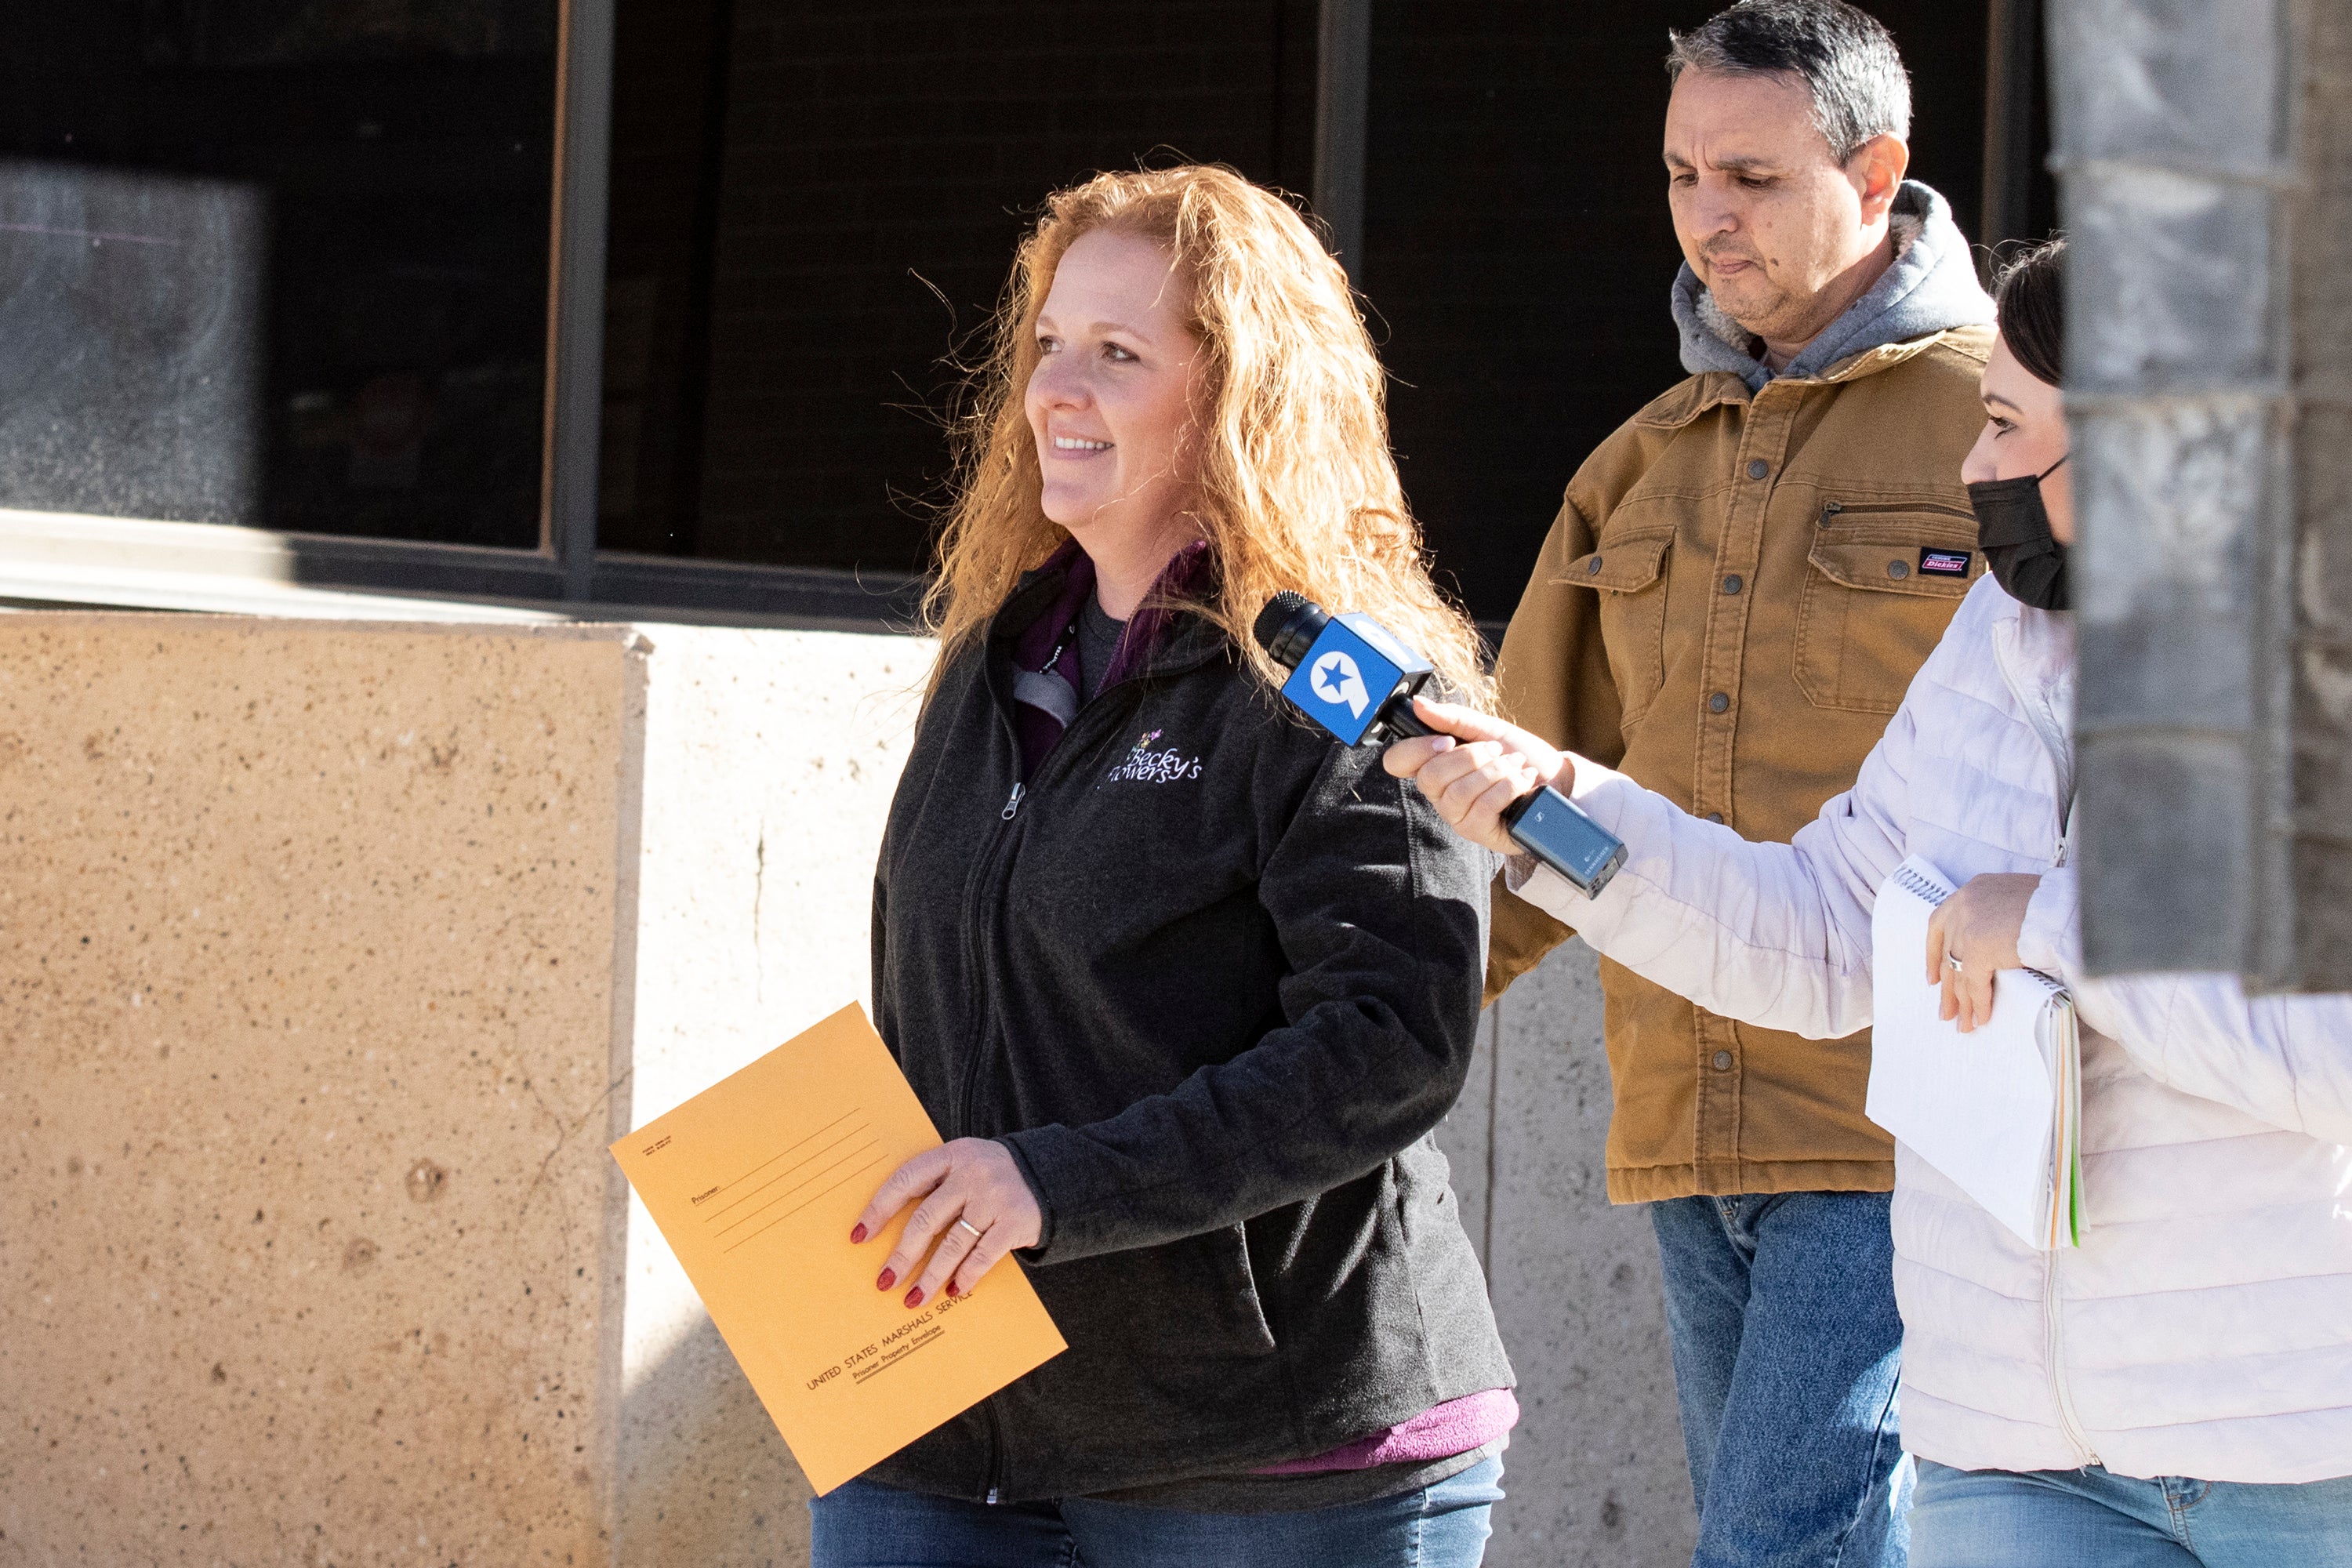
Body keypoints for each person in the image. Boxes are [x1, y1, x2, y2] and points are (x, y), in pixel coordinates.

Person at [1391, 238, 2352, 1566]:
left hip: (2297, 1456)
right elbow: (1829, 929)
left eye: (2008, 425)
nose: (1972, 469)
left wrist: (2052, 924)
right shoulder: (1992, 641)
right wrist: (1553, 804)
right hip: (2014, 1456)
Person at [819, 165, 1515, 1567]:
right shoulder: (993, 660)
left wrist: (1055, 1186)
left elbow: (1389, 1039)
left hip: (1270, 1454)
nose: (1055, 392)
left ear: (1241, 394)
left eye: (1120, 355)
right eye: (1048, 347)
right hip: (953, 1431)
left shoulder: (1331, 681)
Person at [1483, 2, 1993, 1561]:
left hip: (1903, 1119)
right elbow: (1523, 815)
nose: (1711, 214)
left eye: (1755, 177)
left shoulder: (2013, 426)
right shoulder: (1638, 463)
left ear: (1878, 168)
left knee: (1781, 1549)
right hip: (1683, 1120)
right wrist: (1346, 1034)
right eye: (1684, 174)